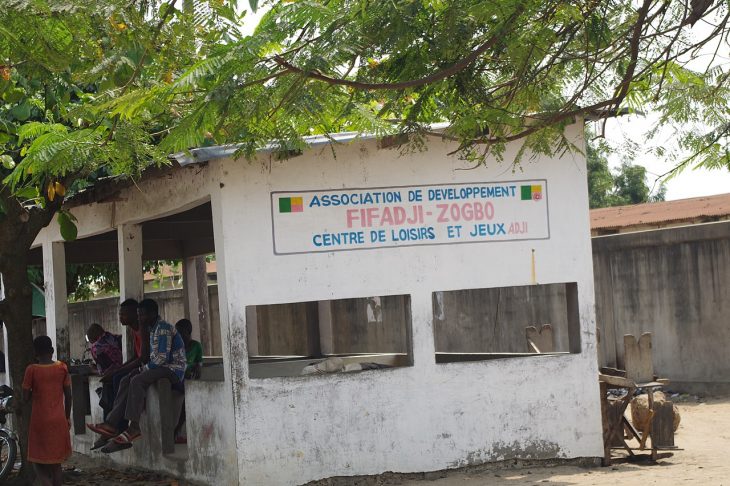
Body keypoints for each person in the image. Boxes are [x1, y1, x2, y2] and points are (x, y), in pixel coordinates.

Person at [88, 298, 186, 449]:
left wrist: (142, 369)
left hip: (173, 369)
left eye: (142, 316)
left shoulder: (163, 328)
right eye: (138, 315)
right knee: (126, 379)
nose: (139, 319)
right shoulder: (152, 329)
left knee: (137, 380)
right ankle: (112, 423)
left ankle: (133, 427)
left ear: (153, 314)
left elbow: (161, 359)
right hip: (161, 367)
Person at [22, 336, 72, 486]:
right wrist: (67, 417)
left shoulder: (31, 370)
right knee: (56, 464)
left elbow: (25, 397)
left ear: (35, 352)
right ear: (51, 350)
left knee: (36, 459)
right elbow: (68, 395)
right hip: (59, 419)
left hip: (39, 421)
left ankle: (46, 483)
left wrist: (33, 391)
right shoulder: (62, 367)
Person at [173, 319, 203, 443]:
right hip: (176, 380)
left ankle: (177, 430)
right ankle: (176, 431)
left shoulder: (196, 346)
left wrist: (197, 366)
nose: (178, 335)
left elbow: (199, 362)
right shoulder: (175, 346)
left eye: (181, 333)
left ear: (188, 332)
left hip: (188, 380)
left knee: (188, 401)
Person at [86, 323, 123, 419]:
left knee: (108, 405)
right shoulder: (113, 337)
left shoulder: (96, 347)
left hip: (112, 379)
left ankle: (108, 425)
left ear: (91, 338)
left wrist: (93, 369)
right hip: (124, 373)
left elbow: (103, 372)